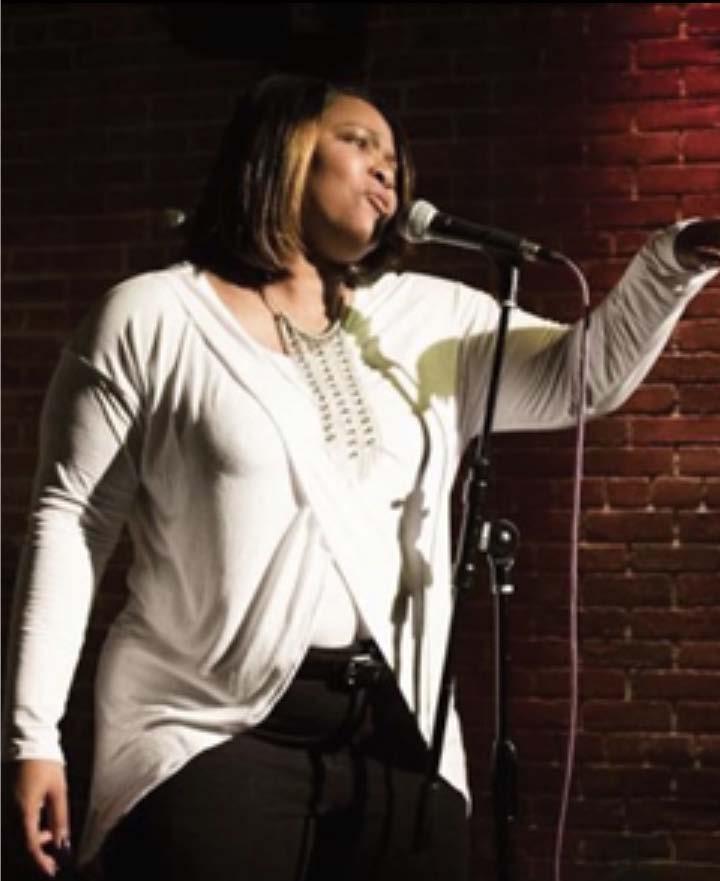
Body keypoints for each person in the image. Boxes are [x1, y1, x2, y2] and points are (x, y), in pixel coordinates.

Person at [4, 73, 719, 881]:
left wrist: (674, 259)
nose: (388, 169)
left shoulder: (429, 316)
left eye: (396, 158)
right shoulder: (151, 317)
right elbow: (72, 518)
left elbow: (576, 376)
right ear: (281, 152)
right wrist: (33, 734)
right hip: (209, 729)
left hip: (398, 731)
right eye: (359, 142)